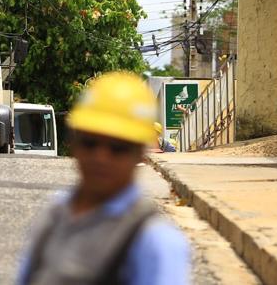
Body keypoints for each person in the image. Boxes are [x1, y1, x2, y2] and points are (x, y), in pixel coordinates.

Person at [16, 72, 190, 284]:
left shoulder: (154, 241)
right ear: (74, 144)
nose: (101, 157)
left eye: (117, 148)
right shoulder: (54, 214)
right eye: (90, 143)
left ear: (140, 153)